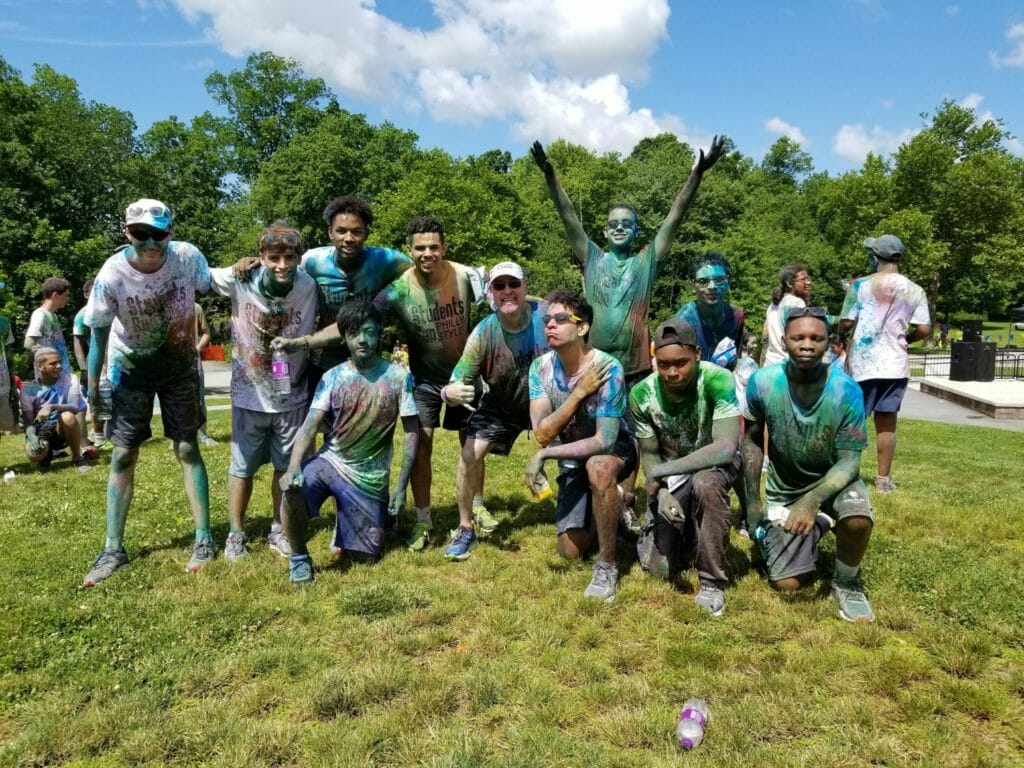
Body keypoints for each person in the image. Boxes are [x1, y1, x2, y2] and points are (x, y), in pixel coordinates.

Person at [82, 198, 215, 586]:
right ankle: (112, 548)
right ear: (128, 233)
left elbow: (216, 282)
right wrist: (92, 387)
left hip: (178, 370)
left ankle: (204, 539)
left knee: (188, 447)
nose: (151, 242)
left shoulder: (187, 258)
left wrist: (249, 268)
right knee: (123, 454)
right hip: (130, 373)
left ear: (170, 233)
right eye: (142, 234)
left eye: (159, 234)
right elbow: (97, 336)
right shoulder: (111, 275)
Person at [740, 306, 876, 623]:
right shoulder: (762, 383)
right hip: (785, 491)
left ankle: (847, 581)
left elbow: (850, 463)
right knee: (788, 585)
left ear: (829, 342)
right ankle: (811, 527)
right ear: (784, 340)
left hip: (832, 481)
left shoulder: (846, 390)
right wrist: (752, 504)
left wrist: (812, 500)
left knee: (857, 519)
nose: (807, 344)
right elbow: (749, 443)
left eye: (816, 338)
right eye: (798, 337)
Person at [279, 301, 418, 584]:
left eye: (369, 332)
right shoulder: (333, 377)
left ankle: (372, 520)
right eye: (354, 333)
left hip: (369, 478)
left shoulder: (399, 378)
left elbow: (412, 434)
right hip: (330, 463)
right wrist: (293, 466)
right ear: (344, 337)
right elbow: (310, 426)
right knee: (292, 490)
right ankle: (299, 558)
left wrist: (401, 487)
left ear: (380, 334)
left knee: (364, 559)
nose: (362, 340)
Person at [370, 216, 485, 550]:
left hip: (464, 376)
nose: (427, 253)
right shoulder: (400, 287)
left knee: (473, 447)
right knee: (420, 447)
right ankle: (423, 521)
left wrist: (550, 311)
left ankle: (478, 507)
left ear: (444, 248)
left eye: (434, 246)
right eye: (420, 247)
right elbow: (366, 317)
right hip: (422, 380)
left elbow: (508, 299)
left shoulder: (465, 275)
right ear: (411, 250)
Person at [209, 221, 317, 561]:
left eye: (289, 257)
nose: (282, 265)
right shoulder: (241, 280)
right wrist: (236, 264)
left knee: (285, 470)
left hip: (292, 396)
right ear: (261, 257)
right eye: (274, 257)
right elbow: (200, 275)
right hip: (249, 395)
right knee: (242, 468)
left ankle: (278, 529)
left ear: (300, 257)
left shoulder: (309, 285)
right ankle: (235, 534)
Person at [525, 290, 637, 603]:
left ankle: (607, 566)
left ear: (583, 327)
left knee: (598, 467)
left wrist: (545, 454)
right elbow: (543, 433)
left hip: (614, 452)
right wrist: (578, 395)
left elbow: (604, 440)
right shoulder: (540, 369)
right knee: (569, 551)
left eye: (561, 319)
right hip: (572, 456)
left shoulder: (608, 368)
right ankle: (610, 504)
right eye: (547, 320)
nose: (550, 325)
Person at [630, 319, 742, 616]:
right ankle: (683, 529)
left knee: (705, 484)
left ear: (697, 354)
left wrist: (660, 474)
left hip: (714, 464)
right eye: (664, 364)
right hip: (671, 472)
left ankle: (711, 581)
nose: (672, 372)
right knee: (659, 568)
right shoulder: (642, 395)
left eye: (681, 362)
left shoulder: (718, 379)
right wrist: (662, 493)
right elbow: (651, 455)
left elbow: (725, 447)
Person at [439, 261, 549, 560]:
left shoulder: (549, 316)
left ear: (525, 287)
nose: (507, 291)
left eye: (513, 284)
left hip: (550, 403)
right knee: (468, 456)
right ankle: (465, 529)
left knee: (579, 452)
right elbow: (456, 380)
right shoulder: (484, 332)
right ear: (491, 293)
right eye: (499, 286)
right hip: (501, 403)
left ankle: (584, 515)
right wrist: (449, 393)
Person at [293, 195, 412, 394]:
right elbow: (279, 268)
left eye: (356, 232)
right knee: (321, 421)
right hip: (323, 358)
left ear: (366, 233)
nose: (348, 238)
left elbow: (423, 270)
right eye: (341, 231)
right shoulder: (312, 260)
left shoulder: (386, 260)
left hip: (366, 359)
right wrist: (252, 262)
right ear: (330, 232)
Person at [839, 235, 931, 494]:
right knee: (887, 423)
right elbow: (923, 328)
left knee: (853, 422)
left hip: (862, 365)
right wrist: (906, 339)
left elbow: (846, 322)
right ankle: (883, 480)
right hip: (895, 364)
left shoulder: (860, 286)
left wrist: (841, 331)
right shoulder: (914, 289)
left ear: (875, 256)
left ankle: (847, 475)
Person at [20, 347, 89, 472]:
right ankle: (46, 454)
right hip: (41, 429)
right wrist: (31, 436)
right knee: (35, 456)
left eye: (59, 362)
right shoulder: (28, 390)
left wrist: (51, 407)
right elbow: (28, 422)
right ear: (40, 366)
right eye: (53, 363)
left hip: (61, 428)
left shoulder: (70, 379)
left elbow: (75, 407)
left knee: (67, 416)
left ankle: (77, 457)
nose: (58, 366)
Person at [673, 252, 745, 369]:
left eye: (719, 279)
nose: (712, 286)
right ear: (693, 285)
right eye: (703, 281)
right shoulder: (682, 323)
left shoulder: (736, 316)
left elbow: (736, 357)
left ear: (728, 282)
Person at [72, 279, 107, 445]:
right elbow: (78, 342)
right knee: (97, 398)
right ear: (86, 294)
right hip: (96, 363)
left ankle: (104, 433)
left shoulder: (111, 309)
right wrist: (84, 368)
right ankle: (98, 435)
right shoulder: (82, 315)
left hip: (116, 361)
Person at [762, 264, 810, 366]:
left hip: (770, 363)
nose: (808, 282)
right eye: (803, 280)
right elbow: (800, 336)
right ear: (789, 283)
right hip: (787, 365)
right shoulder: (796, 303)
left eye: (808, 279)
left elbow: (765, 338)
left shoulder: (772, 305)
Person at [24, 276, 72, 376]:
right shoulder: (40, 314)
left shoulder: (53, 316)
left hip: (60, 375)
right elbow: (28, 342)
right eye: (66, 295)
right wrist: (44, 358)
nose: (68, 299)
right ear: (55, 295)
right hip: (49, 378)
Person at [193, 301, 218, 447]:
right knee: (175, 402)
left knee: (199, 400)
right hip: (172, 365)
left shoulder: (195, 307)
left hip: (193, 363)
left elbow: (206, 333)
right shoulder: (164, 306)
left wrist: (197, 348)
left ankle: (203, 435)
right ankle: (178, 437)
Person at [0, 300, 17, 436]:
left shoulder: (4, 322)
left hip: (2, 381)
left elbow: (9, 354)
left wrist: (13, 383)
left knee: (3, 425)